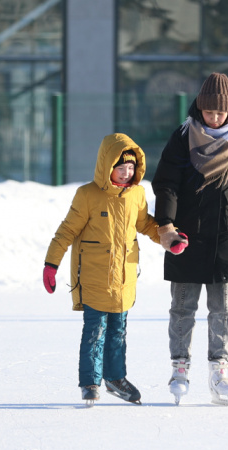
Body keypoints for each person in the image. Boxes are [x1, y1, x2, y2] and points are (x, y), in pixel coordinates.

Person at [152, 72, 228, 406]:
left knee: (223, 309)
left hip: (227, 235)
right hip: (186, 235)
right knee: (183, 307)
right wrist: (167, 224)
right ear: (199, 109)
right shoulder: (183, 137)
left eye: (221, 113)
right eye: (209, 112)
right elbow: (167, 182)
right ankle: (179, 366)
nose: (215, 118)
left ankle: (219, 370)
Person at [43, 133, 177, 406]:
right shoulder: (87, 195)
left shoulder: (137, 194)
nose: (127, 173)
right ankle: (90, 382)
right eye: (121, 168)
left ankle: (115, 378)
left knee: (118, 331)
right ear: (107, 166)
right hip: (94, 278)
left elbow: (146, 225)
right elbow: (67, 231)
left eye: (131, 168)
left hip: (124, 277)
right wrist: (51, 263)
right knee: (95, 331)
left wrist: (169, 238)